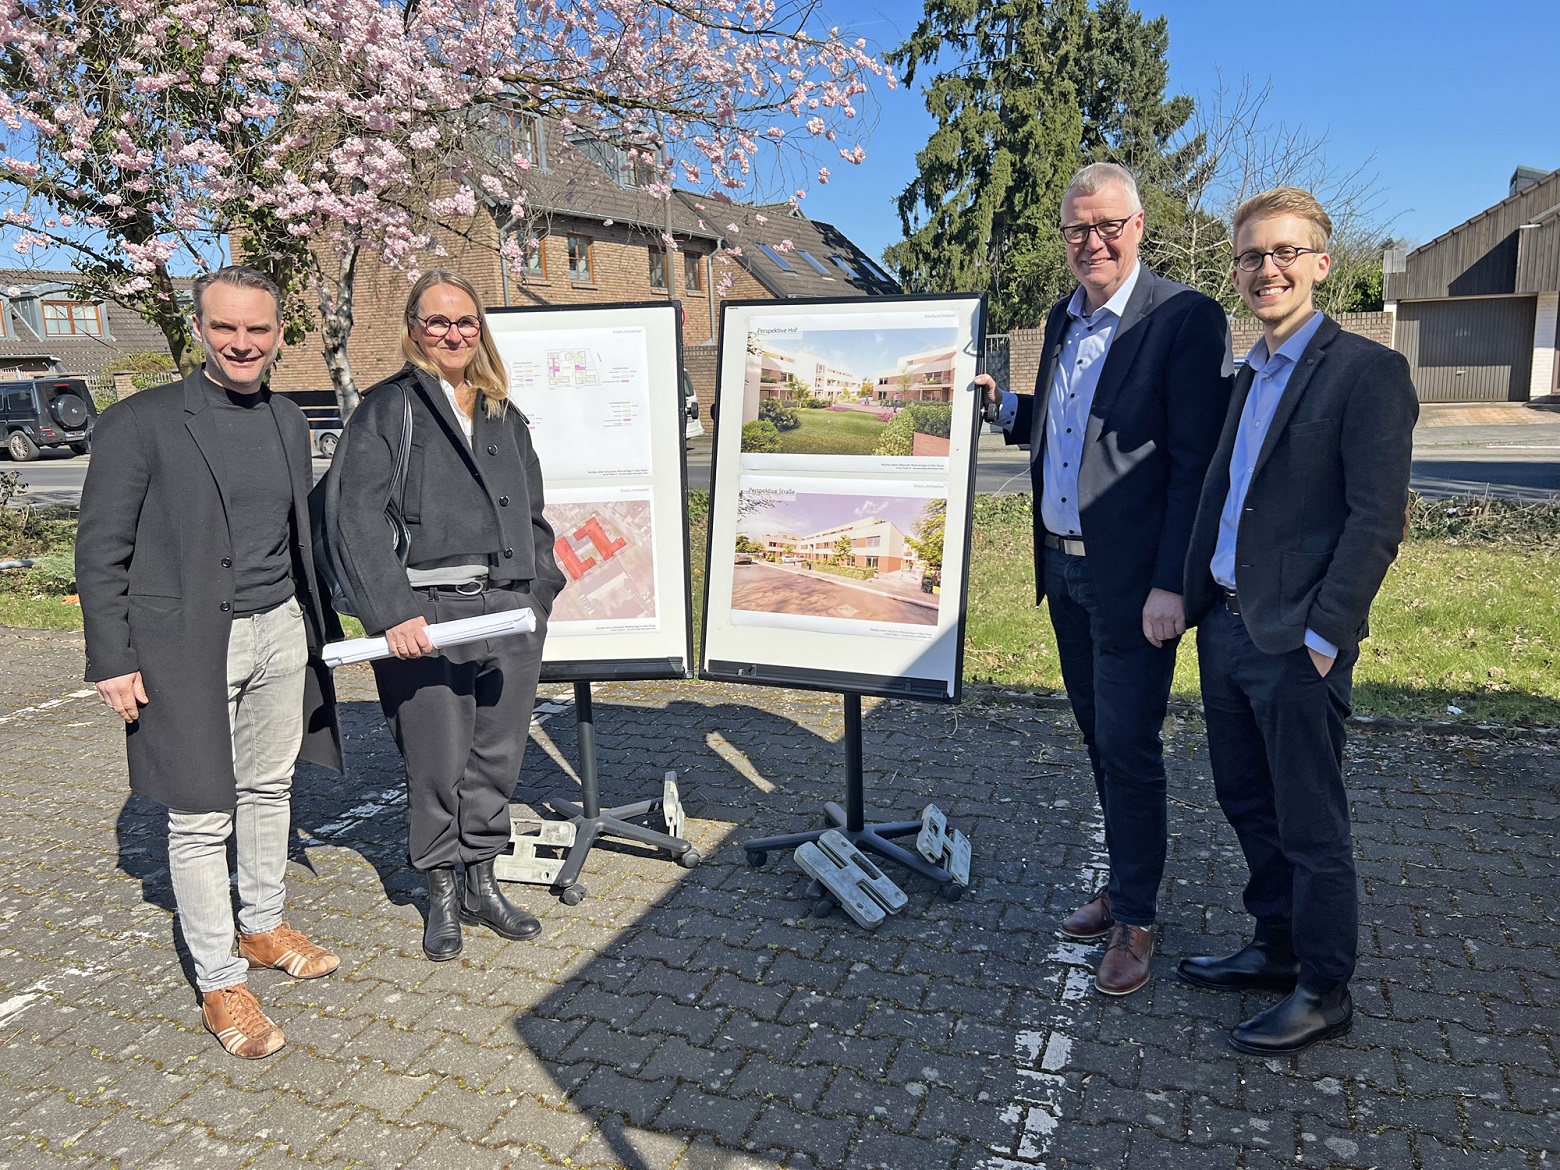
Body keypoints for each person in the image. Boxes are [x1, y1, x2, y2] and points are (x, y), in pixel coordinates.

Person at [976, 162, 1232, 996]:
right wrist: (1005, 407)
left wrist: (1174, 586)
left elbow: (1195, 467)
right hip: (1063, 571)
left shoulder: (1185, 319)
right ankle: (1124, 882)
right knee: (1099, 739)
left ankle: (1138, 919)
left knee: (1129, 744)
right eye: (1078, 229)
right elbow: (1067, 427)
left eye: (1109, 226)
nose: (1094, 242)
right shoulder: (1062, 318)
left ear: (1140, 226)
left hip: (1134, 586)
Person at [76, 266, 344, 1060]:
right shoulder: (139, 424)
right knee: (200, 811)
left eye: (257, 329)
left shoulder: (290, 420)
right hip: (187, 645)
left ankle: (260, 925)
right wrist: (112, 658)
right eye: (225, 327)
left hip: (279, 632)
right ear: (200, 329)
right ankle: (221, 978)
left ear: (277, 334)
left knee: (269, 786)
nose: (242, 343)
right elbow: (101, 553)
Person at [1179, 187, 1417, 1054]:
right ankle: (1275, 947)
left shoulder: (1366, 372)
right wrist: (1195, 598)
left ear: (1322, 261)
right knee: (1247, 801)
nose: (1265, 269)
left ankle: (1324, 986)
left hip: (1297, 644)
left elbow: (1375, 519)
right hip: (1230, 630)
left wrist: (1326, 638)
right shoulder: (1249, 374)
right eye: (1250, 255)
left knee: (1312, 822)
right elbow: (1222, 497)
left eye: (1284, 252)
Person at [330, 269, 565, 962]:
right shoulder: (389, 408)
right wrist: (390, 613)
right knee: (436, 761)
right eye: (437, 322)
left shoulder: (502, 414)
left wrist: (538, 594)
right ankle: (439, 888)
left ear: (480, 330)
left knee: (497, 755)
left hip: (508, 611)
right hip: (425, 615)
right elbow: (355, 519)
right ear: (414, 330)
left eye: (465, 322)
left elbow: (532, 517)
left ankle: (482, 882)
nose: (453, 334)